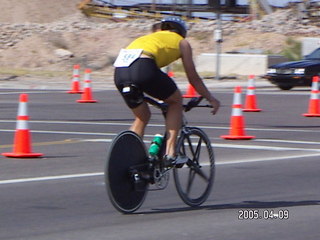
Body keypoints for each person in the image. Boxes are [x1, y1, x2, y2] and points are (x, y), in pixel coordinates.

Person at [113, 16, 220, 165]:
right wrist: (210, 98)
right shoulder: (182, 42)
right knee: (175, 101)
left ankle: (128, 160)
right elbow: (193, 77)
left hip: (120, 72)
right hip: (144, 67)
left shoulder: (148, 38)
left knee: (142, 116)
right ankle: (171, 153)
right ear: (182, 32)